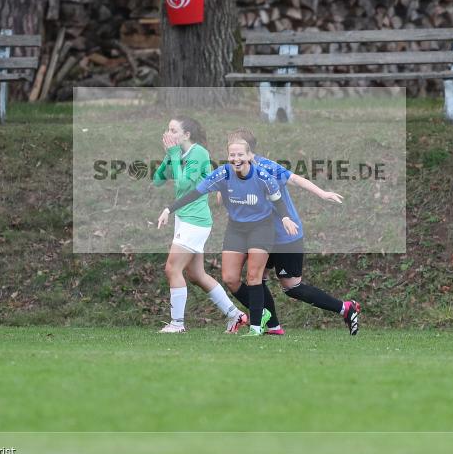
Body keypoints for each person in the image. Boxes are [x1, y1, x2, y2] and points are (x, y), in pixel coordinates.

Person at [226, 128, 361, 336]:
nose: (234, 154)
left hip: (285, 235)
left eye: (238, 150)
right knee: (255, 278)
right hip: (259, 234)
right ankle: (272, 326)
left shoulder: (266, 167)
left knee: (292, 287)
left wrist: (322, 193)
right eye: (231, 150)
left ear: (248, 150)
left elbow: (295, 179)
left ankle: (345, 308)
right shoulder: (233, 171)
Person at [158, 137, 298, 336]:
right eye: (232, 155)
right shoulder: (223, 173)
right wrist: (168, 209)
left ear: (249, 156)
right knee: (230, 278)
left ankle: (256, 327)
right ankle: (262, 313)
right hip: (236, 229)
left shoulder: (263, 177)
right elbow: (195, 193)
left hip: (261, 228)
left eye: (240, 154)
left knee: (253, 276)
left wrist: (285, 218)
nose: (236, 158)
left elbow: (278, 201)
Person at [152, 116, 248, 334]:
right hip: (184, 219)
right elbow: (158, 180)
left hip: (195, 221)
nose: (168, 134)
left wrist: (174, 154)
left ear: (186, 135)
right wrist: (170, 155)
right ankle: (235, 315)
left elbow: (184, 184)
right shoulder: (179, 153)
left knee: (172, 268)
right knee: (196, 275)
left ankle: (177, 324)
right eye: (168, 129)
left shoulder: (199, 153)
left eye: (173, 130)